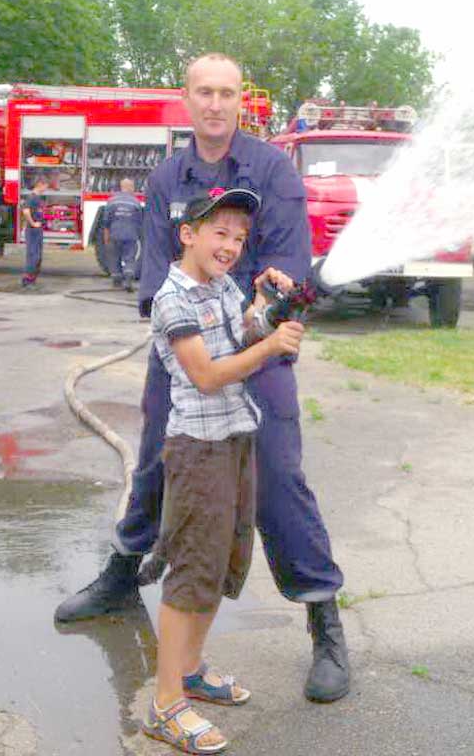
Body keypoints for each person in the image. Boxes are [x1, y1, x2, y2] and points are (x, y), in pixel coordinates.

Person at [55, 52, 351, 703]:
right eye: (203, 93)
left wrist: (266, 304)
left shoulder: (272, 171)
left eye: (227, 93)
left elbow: (285, 260)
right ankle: (121, 575)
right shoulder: (167, 178)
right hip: (183, 351)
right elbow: (158, 275)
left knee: (275, 477)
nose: (215, 104)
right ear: (186, 101)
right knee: (160, 461)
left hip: (257, 349)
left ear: (241, 101)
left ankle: (324, 620)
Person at [142, 186, 303, 754]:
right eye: (220, 233)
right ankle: (165, 707)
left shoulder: (225, 286)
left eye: (239, 236)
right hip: (198, 449)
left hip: (236, 437)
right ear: (188, 234)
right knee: (190, 569)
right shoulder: (172, 300)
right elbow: (208, 375)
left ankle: (188, 672)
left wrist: (264, 307)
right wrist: (271, 346)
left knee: (221, 560)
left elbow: (243, 337)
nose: (232, 245)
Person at [95, 177, 144, 291]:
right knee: (129, 257)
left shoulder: (112, 201)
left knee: (114, 257)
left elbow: (106, 220)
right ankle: (128, 279)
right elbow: (139, 221)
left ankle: (116, 280)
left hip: (115, 234)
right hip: (130, 235)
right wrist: (138, 234)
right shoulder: (135, 202)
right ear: (130, 188)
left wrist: (106, 236)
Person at [21, 175, 48, 288]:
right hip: (33, 231)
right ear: (39, 184)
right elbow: (26, 211)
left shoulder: (37, 198)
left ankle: (32, 280)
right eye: (45, 185)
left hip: (37, 230)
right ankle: (27, 281)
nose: (46, 187)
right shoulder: (32, 198)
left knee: (38, 256)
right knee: (33, 255)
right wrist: (33, 223)